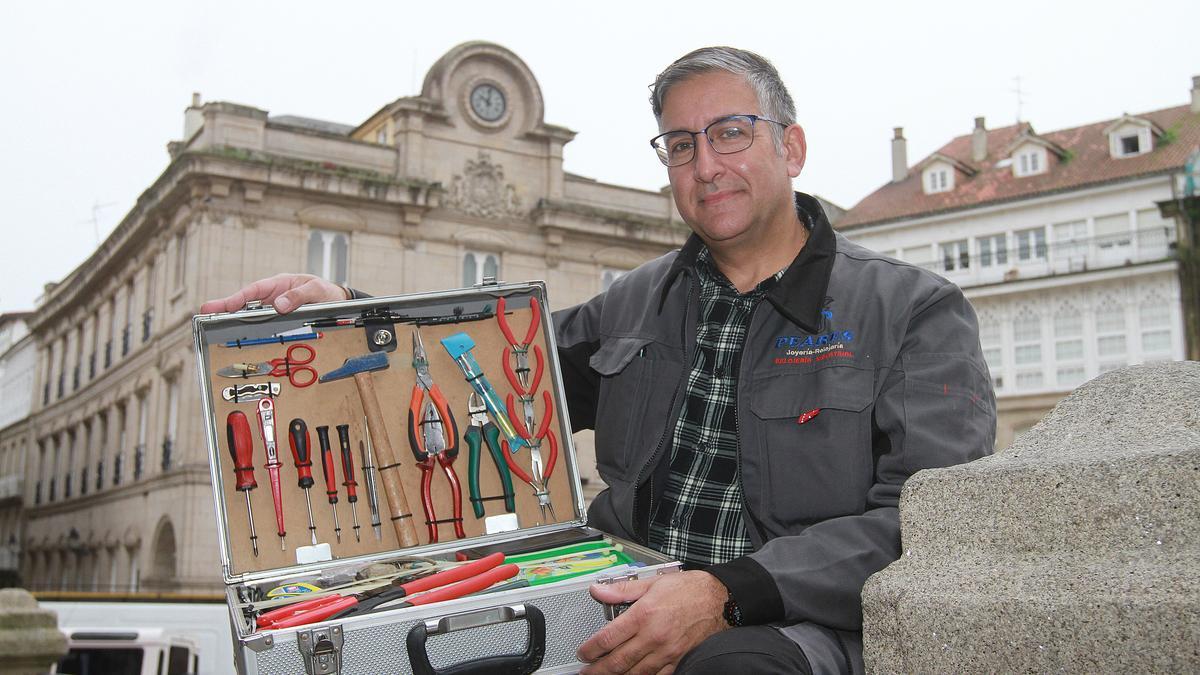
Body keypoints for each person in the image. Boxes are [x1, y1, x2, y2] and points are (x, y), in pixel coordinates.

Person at [202, 47, 995, 674]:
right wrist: (345, 311)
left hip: (790, 623)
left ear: (791, 145)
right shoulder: (637, 300)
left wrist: (726, 591)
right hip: (614, 601)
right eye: (680, 144)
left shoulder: (914, 311)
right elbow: (485, 369)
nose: (705, 164)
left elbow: (931, 521)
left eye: (730, 132)